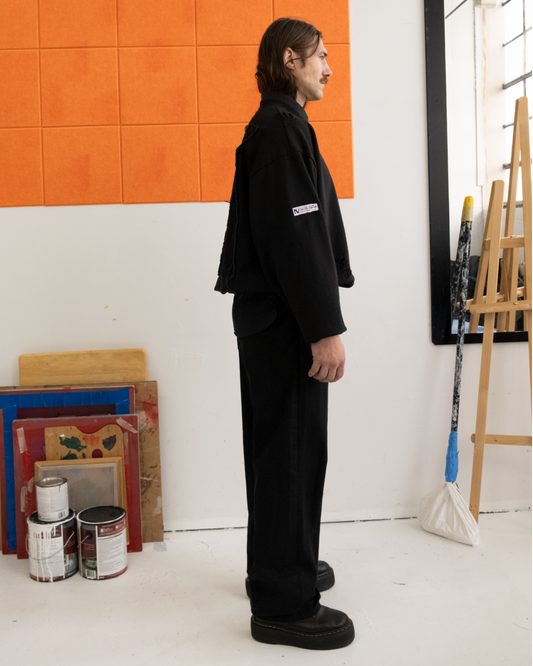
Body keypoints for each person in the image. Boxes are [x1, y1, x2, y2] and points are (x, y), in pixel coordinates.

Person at [215, 17, 355, 651]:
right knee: (290, 457)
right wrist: (324, 330)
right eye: (320, 56)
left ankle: (279, 567)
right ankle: (282, 605)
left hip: (274, 320)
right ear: (291, 59)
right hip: (286, 324)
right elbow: (294, 238)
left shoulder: (280, 124)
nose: (329, 67)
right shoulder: (278, 128)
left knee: (282, 454)